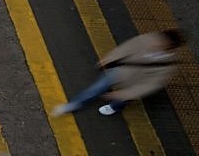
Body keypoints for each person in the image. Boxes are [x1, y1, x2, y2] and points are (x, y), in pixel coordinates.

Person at [51, 29, 186, 116]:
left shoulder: (168, 65)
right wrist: (109, 59)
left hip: (134, 83)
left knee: (122, 99)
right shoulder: (147, 39)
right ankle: (74, 104)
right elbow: (125, 48)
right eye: (158, 39)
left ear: (168, 48)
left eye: (160, 43)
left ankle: (115, 106)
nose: (155, 43)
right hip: (120, 71)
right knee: (96, 88)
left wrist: (123, 94)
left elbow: (148, 86)